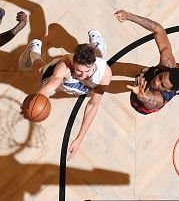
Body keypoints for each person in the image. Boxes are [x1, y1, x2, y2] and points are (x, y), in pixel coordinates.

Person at [19, 29, 111, 160]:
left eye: (87, 71)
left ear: (93, 65)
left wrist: (79, 138)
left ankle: (96, 41)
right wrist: (32, 104)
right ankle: (34, 50)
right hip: (59, 78)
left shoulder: (105, 74)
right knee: (39, 72)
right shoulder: (64, 67)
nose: (83, 76)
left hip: (90, 71)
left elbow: (92, 105)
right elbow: (48, 89)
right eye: (79, 71)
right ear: (74, 63)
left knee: (100, 55)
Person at [114, 9, 179, 115]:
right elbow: (158, 29)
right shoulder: (167, 63)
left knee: (176, 81)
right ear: (167, 70)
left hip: (141, 105)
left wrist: (143, 97)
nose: (156, 82)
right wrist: (129, 16)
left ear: (168, 90)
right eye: (160, 77)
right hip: (167, 78)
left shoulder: (158, 98)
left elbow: (152, 101)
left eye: (162, 85)